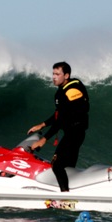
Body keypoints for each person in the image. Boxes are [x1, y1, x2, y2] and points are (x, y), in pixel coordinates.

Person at [27, 61, 90, 192]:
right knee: (68, 166)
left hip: (74, 133)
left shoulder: (69, 92)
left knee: (57, 165)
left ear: (66, 76)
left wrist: (43, 139)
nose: (54, 77)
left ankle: (65, 195)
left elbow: (61, 119)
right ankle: (71, 192)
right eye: (53, 73)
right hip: (76, 132)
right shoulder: (67, 88)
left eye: (57, 74)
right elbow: (59, 114)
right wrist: (42, 124)